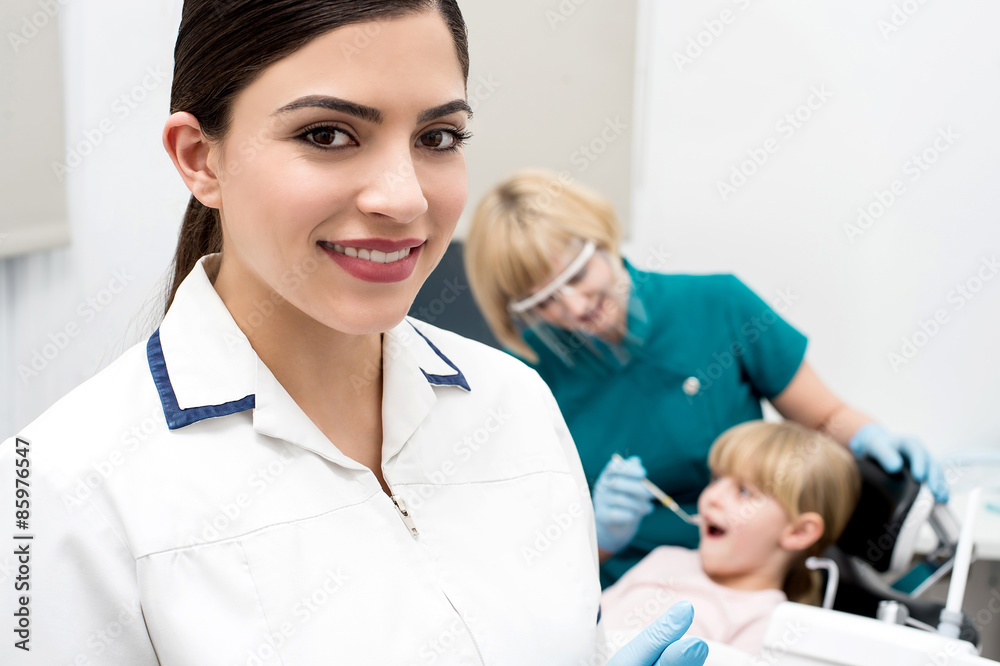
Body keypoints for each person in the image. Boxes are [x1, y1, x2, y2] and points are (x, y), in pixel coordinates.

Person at [0, 3, 707, 665]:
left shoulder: (515, 403)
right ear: (199, 158)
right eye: (327, 135)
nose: (404, 198)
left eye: (438, 138)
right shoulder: (64, 483)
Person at [464, 168, 949, 587]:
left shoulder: (719, 306)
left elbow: (825, 417)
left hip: (758, 583)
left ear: (603, 238)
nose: (572, 307)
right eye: (542, 301)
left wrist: (866, 434)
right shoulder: (523, 382)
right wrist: (603, 539)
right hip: (629, 596)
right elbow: (535, 563)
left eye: (575, 275)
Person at [599, 420, 861, 654]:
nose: (711, 498)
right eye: (716, 479)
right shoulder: (665, 559)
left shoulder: (767, 624)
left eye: (744, 492)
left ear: (798, 532)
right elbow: (585, 621)